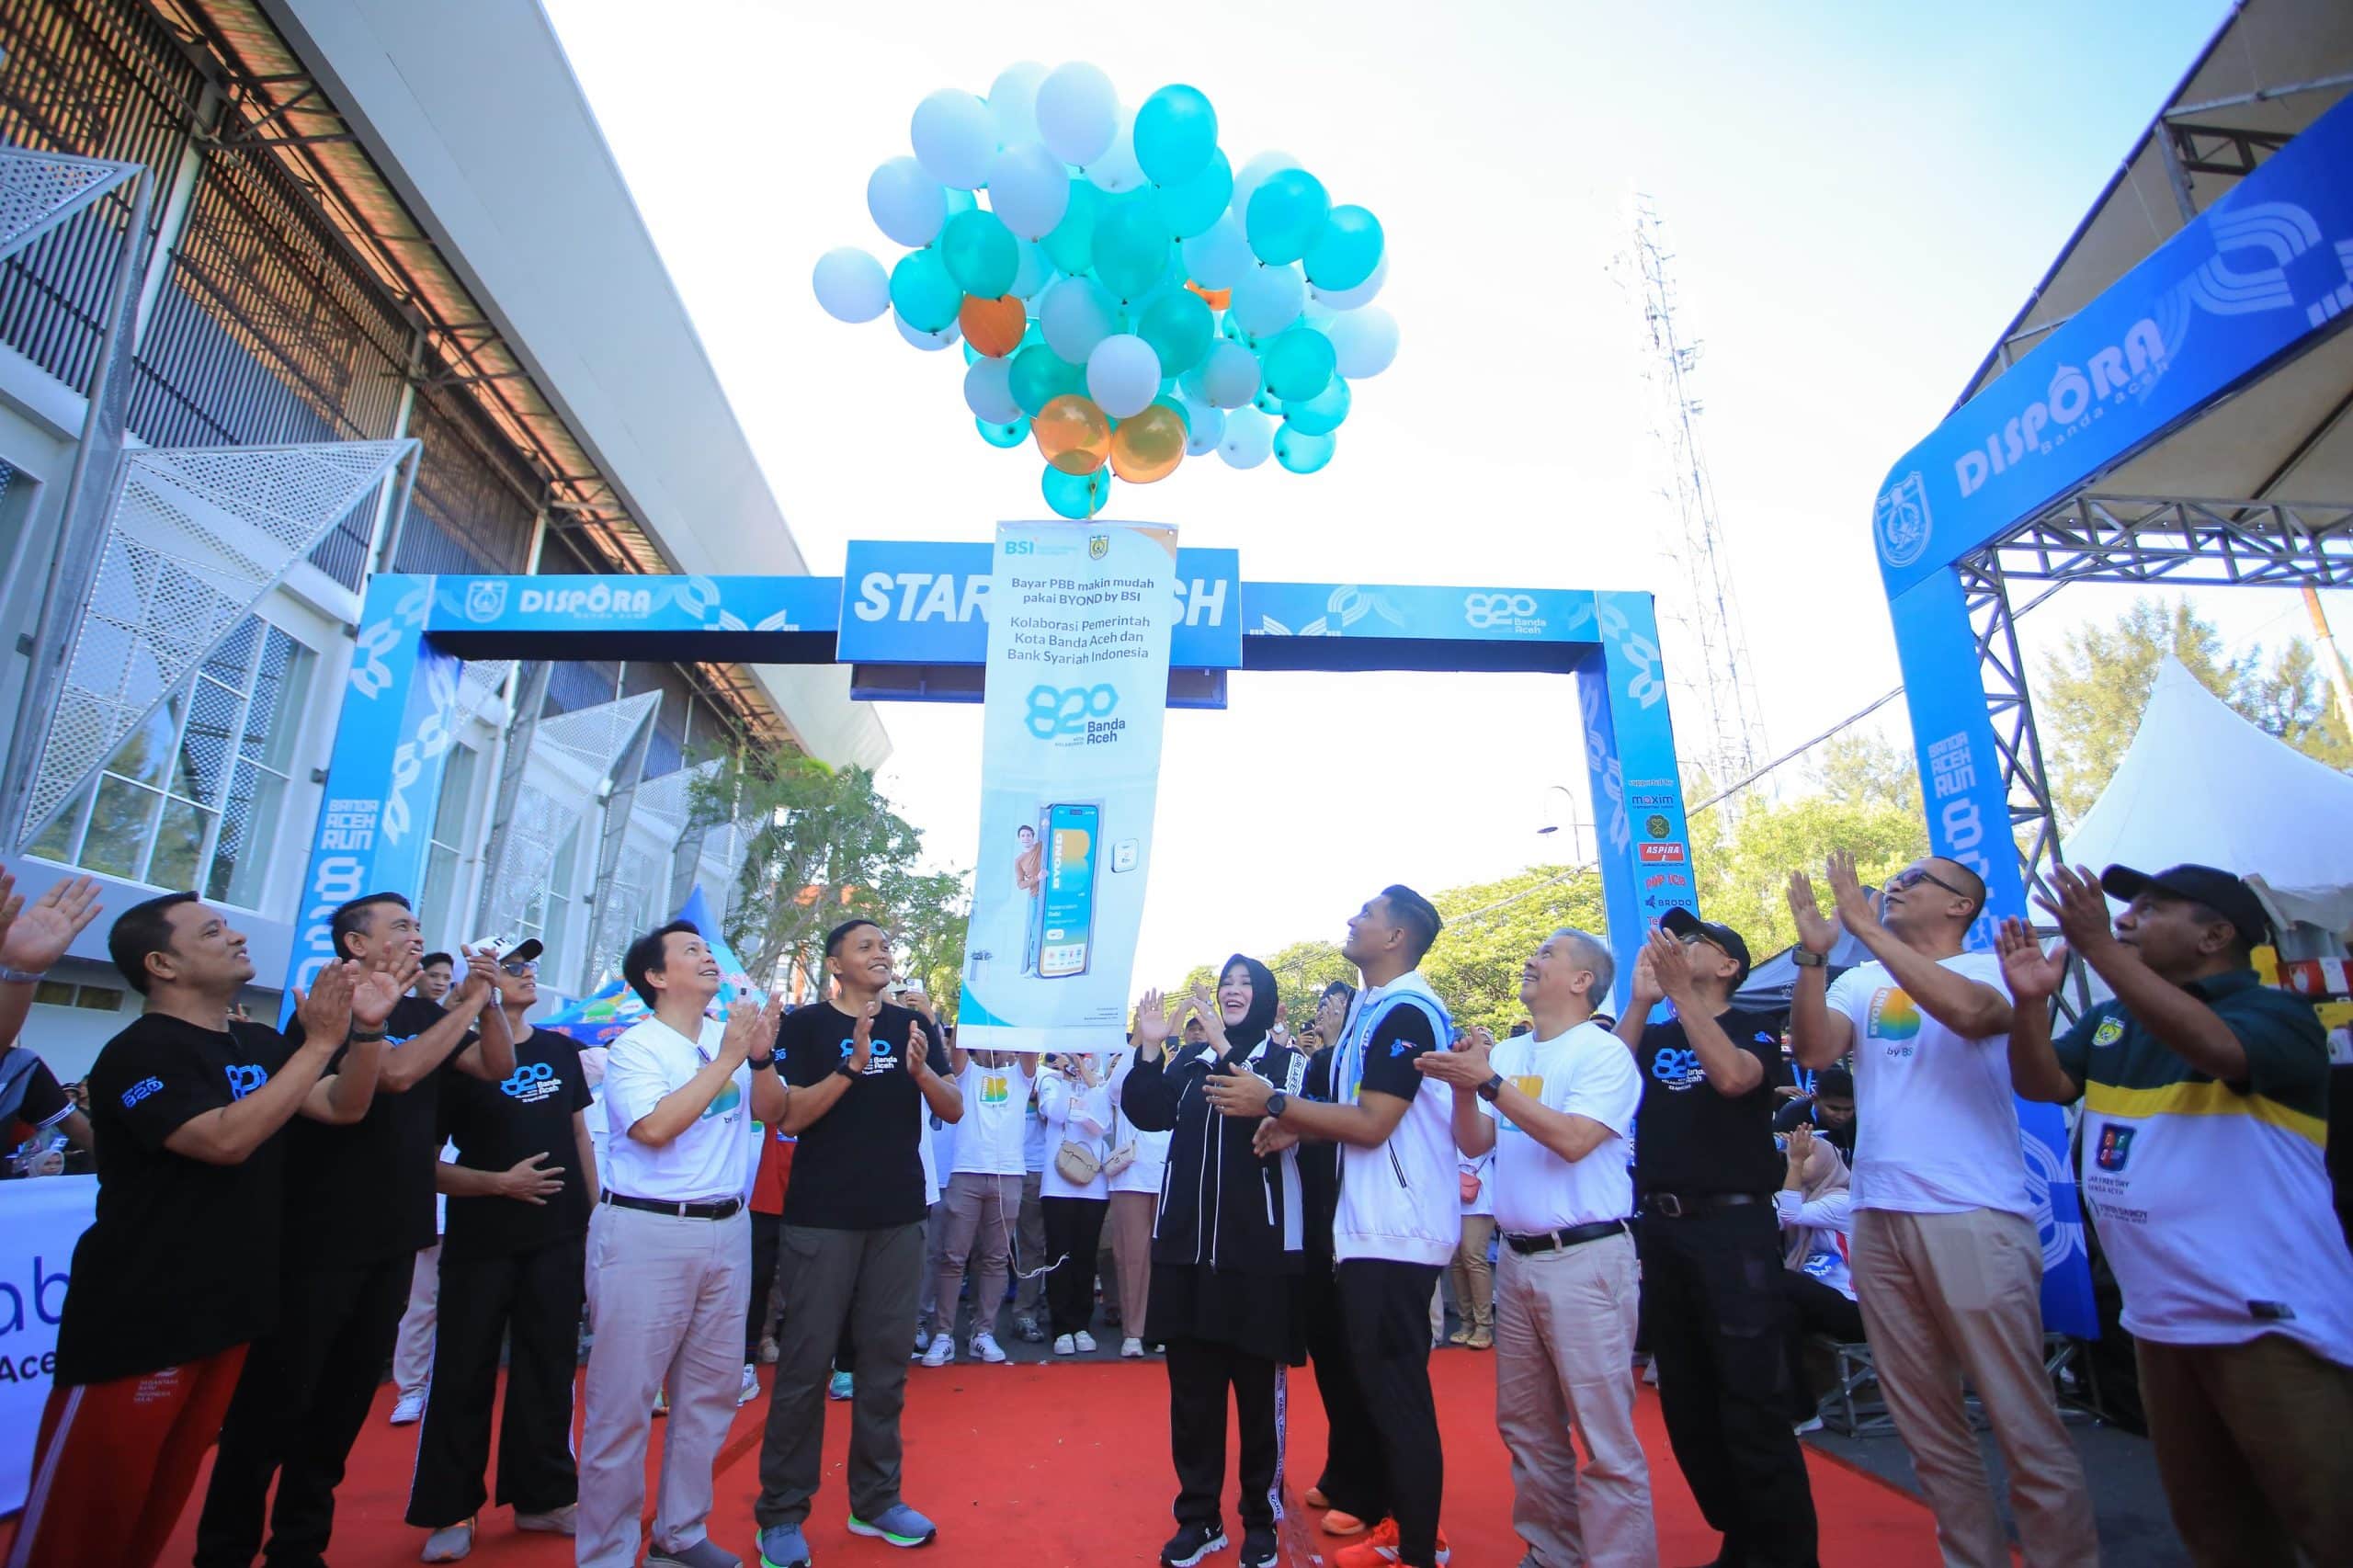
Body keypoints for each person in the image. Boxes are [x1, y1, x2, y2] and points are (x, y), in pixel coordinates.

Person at [6, 888, 395, 1568]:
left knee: (154, 1507)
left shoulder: (256, 1041)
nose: (237, 937)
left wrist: (365, 1034)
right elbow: (223, 1140)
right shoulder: (138, 1051)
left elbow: (343, 1105)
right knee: (85, 1521)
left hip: (230, 1309)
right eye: (213, 932)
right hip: (143, 1316)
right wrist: (321, 1043)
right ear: (162, 964)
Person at [2002, 862, 2353, 1565]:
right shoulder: (2112, 1021)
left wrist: (2098, 947)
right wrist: (2031, 1004)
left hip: (2267, 1321)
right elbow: (2041, 1082)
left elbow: (2219, 1050)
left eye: (2152, 908)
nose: (2126, 919)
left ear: (2215, 935)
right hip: (2159, 1323)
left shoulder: (2275, 1013)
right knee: (2219, 1532)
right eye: (2127, 909)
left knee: (2329, 1520)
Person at [1787, 851, 2097, 1568]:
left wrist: (1867, 926)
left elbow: (1969, 1014)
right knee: (1927, 1426)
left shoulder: (1997, 969)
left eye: (1915, 880)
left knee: (2020, 1417)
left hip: (1972, 1211)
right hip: (1878, 1213)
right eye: (1895, 879)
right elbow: (1815, 1049)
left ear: (1961, 905)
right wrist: (1814, 957)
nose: (1896, 885)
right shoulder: (1862, 979)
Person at [197, 894, 517, 1568]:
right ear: (355, 945)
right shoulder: (329, 1006)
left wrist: (484, 1001)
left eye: (417, 925)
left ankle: (299, 1548)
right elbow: (394, 1075)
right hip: (319, 1237)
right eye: (399, 926)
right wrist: (463, 1005)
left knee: (340, 1409)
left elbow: (496, 1066)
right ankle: (224, 1550)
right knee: (274, 1407)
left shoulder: (425, 1013)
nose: (415, 935)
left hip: (394, 1231)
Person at [1212, 889, 1456, 1568]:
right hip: (1364, 1230)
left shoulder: (1408, 1010)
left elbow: (1375, 1124)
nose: (1353, 920)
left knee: (1398, 1394)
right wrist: (1298, 1127)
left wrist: (1276, 1102)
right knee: (1371, 1384)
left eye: (1368, 914)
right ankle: (1387, 1514)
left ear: (1397, 936)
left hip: (1398, 1231)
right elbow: (1351, 1117)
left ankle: (1417, 1544)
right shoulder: (1371, 1012)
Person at [1421, 927, 1656, 1568]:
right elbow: (1476, 1142)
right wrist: (1467, 1088)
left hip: (1586, 1259)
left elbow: (1575, 1140)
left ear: (1583, 980)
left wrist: (1490, 1082)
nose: (1532, 959)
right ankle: (1552, 1553)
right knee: (1527, 1427)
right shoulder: (1514, 1051)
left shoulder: (1603, 1054)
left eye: (1548, 954)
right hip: (1520, 1261)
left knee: (1604, 1437)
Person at [575, 920, 785, 1568]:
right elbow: (655, 1127)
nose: (707, 958)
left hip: (727, 1228)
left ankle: (681, 1534)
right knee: (623, 1402)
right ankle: (607, 1554)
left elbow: (772, 1113)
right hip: (647, 1231)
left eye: (706, 949)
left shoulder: (725, 1042)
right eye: (690, 951)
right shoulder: (636, 1047)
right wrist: (729, 1058)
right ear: (656, 977)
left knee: (710, 1394)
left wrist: (760, 1058)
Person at [756, 918, 961, 1568]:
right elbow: (787, 1116)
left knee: (884, 1366)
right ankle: (782, 1512)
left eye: (885, 945)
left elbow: (953, 1107)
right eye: (865, 946)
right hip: (822, 1219)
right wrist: (850, 1066)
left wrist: (922, 1073)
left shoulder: (913, 1024)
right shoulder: (805, 1026)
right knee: (805, 1367)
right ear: (834, 964)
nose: (881, 953)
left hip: (898, 1217)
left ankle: (876, 1500)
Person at [1614, 912, 1816, 1565]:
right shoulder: (1655, 1031)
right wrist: (1642, 1002)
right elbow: (1606, 1086)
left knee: (1751, 1394)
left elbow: (1733, 1078)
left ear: (1729, 966)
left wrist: (1679, 995)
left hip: (1732, 1228)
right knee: (1688, 1399)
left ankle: (1786, 1555)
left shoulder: (1752, 1024)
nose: (1675, 946)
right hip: (1662, 1229)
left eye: (1693, 941)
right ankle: (1741, 1537)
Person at [408, 940, 599, 1560]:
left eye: (529, 966)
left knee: (549, 1370)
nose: (527, 974)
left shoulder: (560, 1051)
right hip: (482, 1238)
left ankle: (544, 1497)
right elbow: (421, 1165)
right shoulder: (454, 1057)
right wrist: (498, 1184)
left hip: (559, 1236)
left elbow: (579, 1135)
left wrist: (595, 1216)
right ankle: (450, 1509)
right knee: (463, 1371)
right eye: (511, 967)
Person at [1121, 956, 1309, 1568]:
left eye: (1246, 984)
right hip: (1186, 1256)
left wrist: (1224, 1046)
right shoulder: (1191, 1061)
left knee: (1257, 1402)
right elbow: (1146, 1111)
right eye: (1227, 983)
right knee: (1193, 1401)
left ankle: (1261, 1518)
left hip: (1257, 1260)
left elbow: (1265, 1100)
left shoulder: (1284, 1063)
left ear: (1266, 998)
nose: (1232, 990)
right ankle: (1199, 1518)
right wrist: (1152, 1049)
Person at [1291, 980, 1376, 1540]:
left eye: (1338, 1003)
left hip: (1362, 1231)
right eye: (1324, 1003)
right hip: (1318, 1231)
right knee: (1330, 1361)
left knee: (1360, 1364)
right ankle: (1342, 1470)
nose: (1326, 1010)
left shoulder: (1363, 1063)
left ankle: (1370, 1488)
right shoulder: (1317, 1064)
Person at [924, 1036, 1031, 1366]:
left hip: (1007, 1175)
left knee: (996, 1258)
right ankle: (943, 1335)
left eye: (1002, 1042)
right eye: (988, 1042)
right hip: (966, 1172)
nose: (995, 1048)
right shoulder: (966, 1073)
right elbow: (959, 1043)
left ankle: (983, 1333)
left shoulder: (1022, 1076)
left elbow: (1030, 1039)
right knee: (953, 1257)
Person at [1776, 1123, 1863, 1426]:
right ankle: (1802, 1411)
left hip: (1855, 1307)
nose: (1797, 1158)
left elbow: (1788, 1215)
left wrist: (1795, 1164)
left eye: (1807, 1155)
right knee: (1780, 1313)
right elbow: (1771, 1217)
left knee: (1779, 1280)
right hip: (1816, 1299)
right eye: (1794, 1154)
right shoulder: (1798, 1196)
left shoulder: (1842, 1201)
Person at [1039, 1049, 1114, 1354]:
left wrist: (1088, 1079)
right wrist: (1067, 1080)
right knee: (1059, 1253)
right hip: (1057, 1184)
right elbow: (1055, 1113)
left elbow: (1103, 1124)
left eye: (1085, 1055)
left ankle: (1082, 1324)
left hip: (1093, 1183)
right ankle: (1060, 1327)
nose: (1080, 1060)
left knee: (1086, 1254)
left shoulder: (1101, 1085)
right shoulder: (1050, 1080)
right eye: (1075, 1055)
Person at [1106, 1039, 1173, 1358]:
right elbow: (1114, 1087)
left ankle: (1162, 1328)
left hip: (1169, 1178)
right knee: (1132, 1257)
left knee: (1166, 1259)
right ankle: (1134, 1332)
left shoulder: (1176, 1072)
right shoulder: (1127, 1073)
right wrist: (1140, 1039)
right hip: (1131, 1177)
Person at [1446, 1142, 1495, 1350]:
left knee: (1473, 1256)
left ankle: (1484, 1325)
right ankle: (1466, 1322)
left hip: (1480, 1192)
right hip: (1450, 1192)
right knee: (1456, 1261)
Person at [1772, 1063, 1857, 1161]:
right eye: (1834, 1108)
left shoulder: (1859, 1120)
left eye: (1848, 1109)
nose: (1841, 1116)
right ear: (1815, 1099)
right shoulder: (1791, 1114)